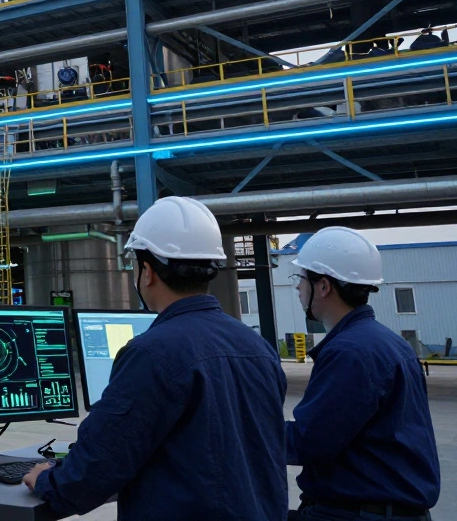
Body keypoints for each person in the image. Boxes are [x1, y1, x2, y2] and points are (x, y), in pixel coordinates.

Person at [23, 196, 287, 520]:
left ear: (146, 272)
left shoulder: (151, 353)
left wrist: (48, 480)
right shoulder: (258, 348)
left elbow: (95, 470)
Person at [286, 227, 440, 520]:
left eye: (300, 278)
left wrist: (247, 430)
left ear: (323, 286)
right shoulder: (389, 343)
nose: (297, 288)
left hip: (356, 512)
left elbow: (309, 442)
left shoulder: (350, 353)